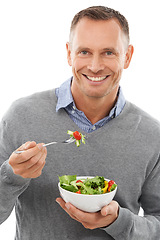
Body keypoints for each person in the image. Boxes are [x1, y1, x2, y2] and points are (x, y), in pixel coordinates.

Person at [0, 5, 160, 240]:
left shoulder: (151, 135)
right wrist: (11, 176)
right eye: (84, 52)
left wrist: (118, 221)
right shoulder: (22, 115)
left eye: (109, 52)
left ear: (127, 56)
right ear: (69, 53)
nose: (95, 66)